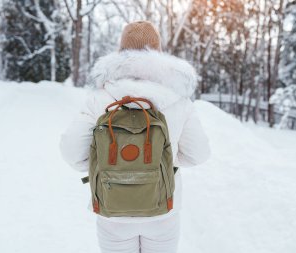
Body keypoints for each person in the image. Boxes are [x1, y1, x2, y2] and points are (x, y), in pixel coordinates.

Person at [59, 21, 211, 253]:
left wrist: (100, 164)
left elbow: (71, 150)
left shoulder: (100, 97)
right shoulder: (179, 99)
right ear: (158, 51)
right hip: (163, 210)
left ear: (121, 51)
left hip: (112, 211)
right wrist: (166, 161)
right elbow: (199, 153)